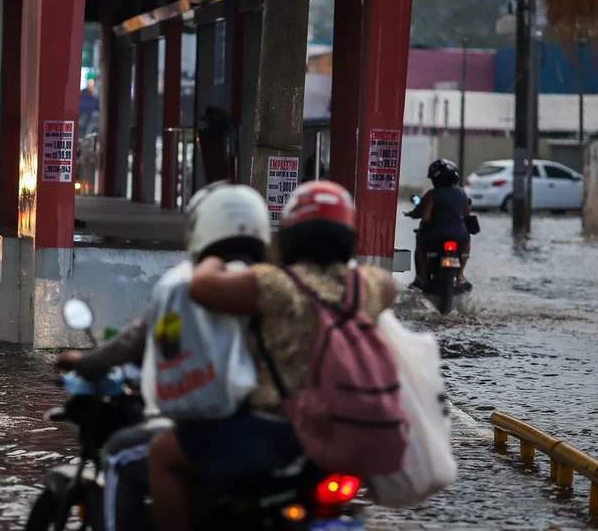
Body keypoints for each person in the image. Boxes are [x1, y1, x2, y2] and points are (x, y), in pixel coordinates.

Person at [148, 180, 398, 531]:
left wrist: (215, 251)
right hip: (347, 433)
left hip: (279, 431)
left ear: (291, 236)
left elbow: (202, 286)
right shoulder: (366, 287)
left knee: (163, 454)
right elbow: (390, 285)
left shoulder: (277, 284)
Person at [55, 181, 272, 531]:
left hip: (227, 431)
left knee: (121, 453)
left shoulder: (184, 285)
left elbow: (142, 340)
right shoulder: (282, 284)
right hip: (288, 436)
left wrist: (86, 361)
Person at [405, 158, 472, 291]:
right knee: (467, 246)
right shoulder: (462, 193)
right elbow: (467, 215)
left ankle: (423, 277)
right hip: (460, 236)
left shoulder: (431, 194)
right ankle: (460, 275)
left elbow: (425, 217)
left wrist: (423, 220)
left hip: (436, 236)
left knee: (420, 243)